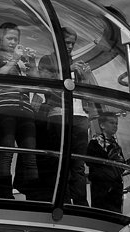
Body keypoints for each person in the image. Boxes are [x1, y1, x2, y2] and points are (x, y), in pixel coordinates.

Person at [35, 27, 93, 205]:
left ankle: (81, 203)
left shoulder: (75, 62)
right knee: (61, 163)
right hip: (58, 114)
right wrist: (68, 68)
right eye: (66, 42)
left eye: (72, 44)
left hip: (80, 116)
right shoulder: (47, 59)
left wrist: (86, 75)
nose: (70, 46)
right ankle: (64, 201)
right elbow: (46, 82)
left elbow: (86, 91)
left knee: (78, 165)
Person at [0, 23, 38, 199]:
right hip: (4, 107)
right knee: (7, 151)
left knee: (30, 153)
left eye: (16, 39)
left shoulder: (22, 60)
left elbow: (36, 81)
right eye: (10, 38)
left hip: (25, 108)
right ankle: (5, 195)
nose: (13, 42)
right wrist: (14, 59)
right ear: (1, 38)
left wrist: (32, 64)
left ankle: (32, 195)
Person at [86, 112, 126, 213]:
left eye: (116, 123)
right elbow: (90, 161)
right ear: (102, 125)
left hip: (115, 187)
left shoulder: (116, 146)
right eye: (112, 123)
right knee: (101, 213)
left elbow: (123, 164)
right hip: (101, 186)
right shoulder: (95, 143)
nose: (115, 126)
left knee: (115, 213)